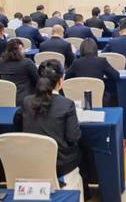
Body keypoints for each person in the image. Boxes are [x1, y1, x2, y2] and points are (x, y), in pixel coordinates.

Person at [14, 60, 84, 190]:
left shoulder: (27, 101)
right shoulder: (67, 104)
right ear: (61, 81)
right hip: (60, 164)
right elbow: (73, 137)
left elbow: (17, 122)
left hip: (31, 159)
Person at [66, 39, 120, 106]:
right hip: (99, 98)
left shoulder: (76, 62)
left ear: (81, 50)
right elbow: (116, 76)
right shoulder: (102, 61)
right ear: (95, 49)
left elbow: (66, 77)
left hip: (80, 99)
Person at [0, 39, 38, 106]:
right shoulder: (27, 63)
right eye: (22, 49)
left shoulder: (1, 62)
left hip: (5, 98)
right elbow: (37, 79)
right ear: (20, 50)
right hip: (24, 99)